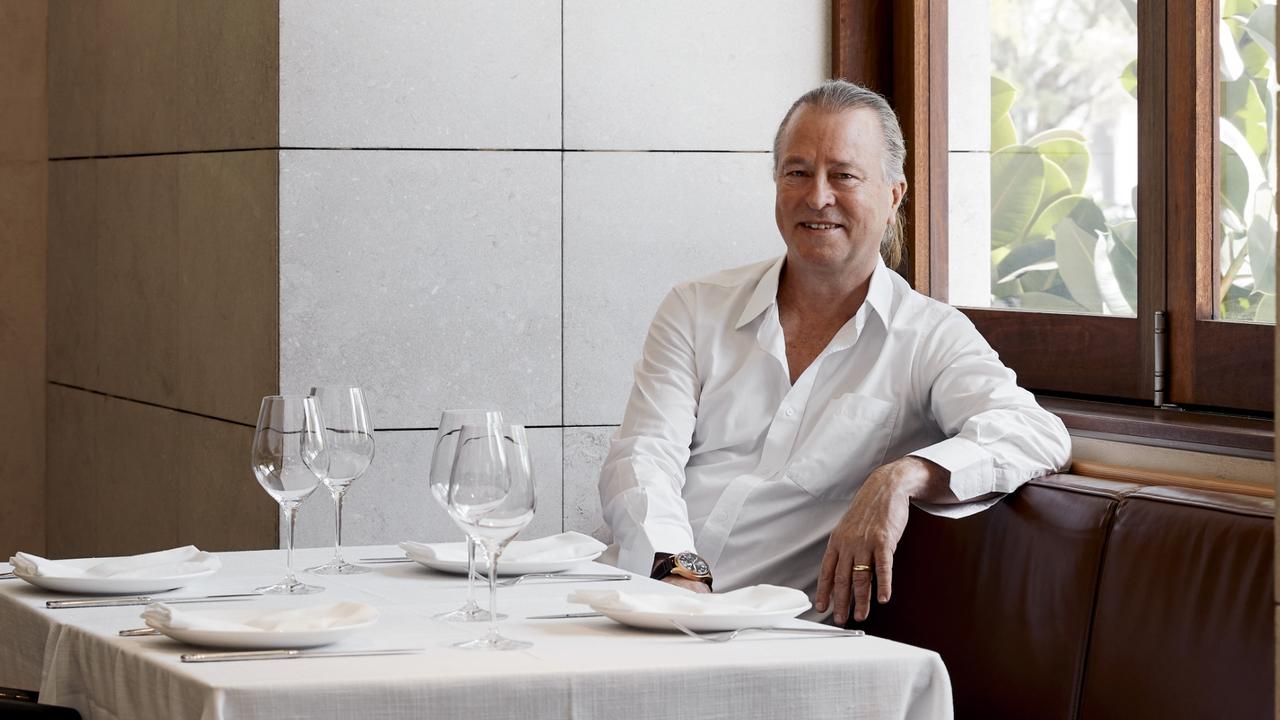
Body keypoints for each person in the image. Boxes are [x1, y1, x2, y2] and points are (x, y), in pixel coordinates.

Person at [597, 79, 1071, 625]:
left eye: (843, 175)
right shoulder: (695, 307)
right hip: (636, 600)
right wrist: (677, 571)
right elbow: (642, 455)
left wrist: (902, 476)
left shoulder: (928, 336)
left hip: (764, 641)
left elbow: (1036, 432)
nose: (817, 196)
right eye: (797, 172)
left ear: (894, 196)